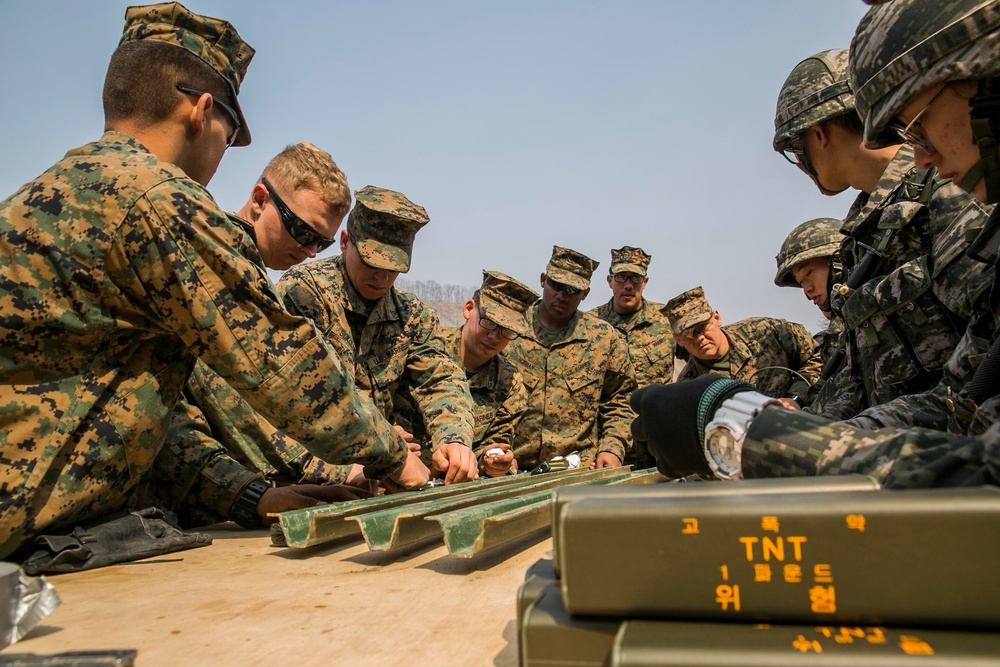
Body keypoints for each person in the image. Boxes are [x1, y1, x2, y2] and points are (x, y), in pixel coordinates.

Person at [0, 2, 425, 560]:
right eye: (230, 135)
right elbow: (280, 362)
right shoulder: (159, 200)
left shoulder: (42, 196)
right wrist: (394, 455)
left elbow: (136, 422)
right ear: (202, 111)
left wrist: (252, 495)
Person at [632, 0, 1000, 490]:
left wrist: (755, 440)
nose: (922, 154)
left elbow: (974, 456)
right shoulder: (861, 238)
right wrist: (779, 429)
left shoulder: (953, 197)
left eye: (917, 124)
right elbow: (959, 398)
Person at [146, 143, 385, 530]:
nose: (309, 252)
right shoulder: (213, 269)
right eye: (301, 231)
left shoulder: (251, 274)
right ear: (259, 200)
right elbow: (252, 404)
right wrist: (368, 459)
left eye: (320, 243)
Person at [773, 48, 988, 420]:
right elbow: (861, 383)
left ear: (818, 134)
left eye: (797, 148)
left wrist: (844, 442)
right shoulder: (861, 235)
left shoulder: (947, 188)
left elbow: (980, 367)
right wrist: (800, 425)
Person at [277, 186, 479, 485]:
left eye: (393, 268)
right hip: (312, 471)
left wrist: (454, 439)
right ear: (345, 242)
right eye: (372, 262)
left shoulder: (413, 316)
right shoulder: (304, 295)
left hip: (387, 472)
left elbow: (440, 379)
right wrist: (379, 442)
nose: (382, 277)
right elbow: (295, 397)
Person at [394, 270, 539, 477]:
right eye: (489, 322)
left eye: (507, 330)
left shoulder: (509, 382)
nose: (494, 336)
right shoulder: (423, 351)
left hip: (456, 486)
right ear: (469, 309)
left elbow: (496, 441)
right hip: (400, 476)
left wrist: (492, 460)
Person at [505, 246, 636, 471]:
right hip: (510, 468)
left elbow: (622, 400)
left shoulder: (603, 339)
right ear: (543, 280)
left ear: (585, 293)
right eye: (556, 285)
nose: (562, 296)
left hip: (577, 470)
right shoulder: (508, 330)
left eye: (572, 290)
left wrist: (612, 447)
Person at [664, 286, 821, 409]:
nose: (699, 338)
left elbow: (820, 356)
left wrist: (795, 398)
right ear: (678, 340)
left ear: (717, 318)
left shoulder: (765, 333)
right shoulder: (689, 385)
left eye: (702, 327)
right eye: (688, 334)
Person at [590, 245, 675, 468]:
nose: (628, 285)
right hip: (606, 447)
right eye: (621, 277)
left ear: (645, 281)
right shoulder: (590, 325)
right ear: (609, 281)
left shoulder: (666, 320)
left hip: (658, 445)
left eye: (635, 278)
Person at [773, 217, 846, 368]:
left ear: (839, 262)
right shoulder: (829, 342)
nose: (807, 290)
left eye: (809, 272)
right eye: (800, 282)